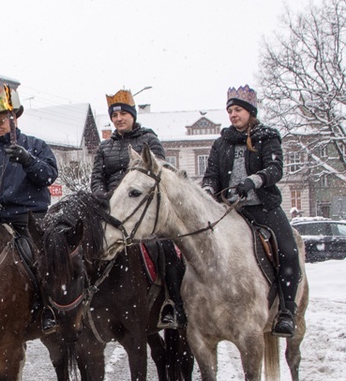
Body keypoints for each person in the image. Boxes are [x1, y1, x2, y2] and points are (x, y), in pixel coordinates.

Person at [202, 85, 300, 338]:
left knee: (288, 250)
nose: (233, 115)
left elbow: (275, 169)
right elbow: (211, 174)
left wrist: (253, 181)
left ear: (250, 111)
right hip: (231, 212)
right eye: (230, 111)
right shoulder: (221, 143)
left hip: (264, 206)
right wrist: (209, 191)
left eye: (238, 110)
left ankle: (287, 311)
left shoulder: (267, 137)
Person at [91, 89, 186, 330]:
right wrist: (106, 196)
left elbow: (160, 174)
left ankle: (172, 303)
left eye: (123, 113)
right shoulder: (104, 148)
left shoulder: (149, 141)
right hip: (112, 208)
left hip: (144, 209)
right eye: (114, 115)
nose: (119, 118)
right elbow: (97, 179)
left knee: (164, 247)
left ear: (133, 115)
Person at [0, 86, 59, 332]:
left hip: (29, 218)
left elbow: (49, 175)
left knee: (41, 258)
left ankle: (47, 308)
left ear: (14, 118)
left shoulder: (37, 145)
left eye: (0, 122)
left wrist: (28, 161)